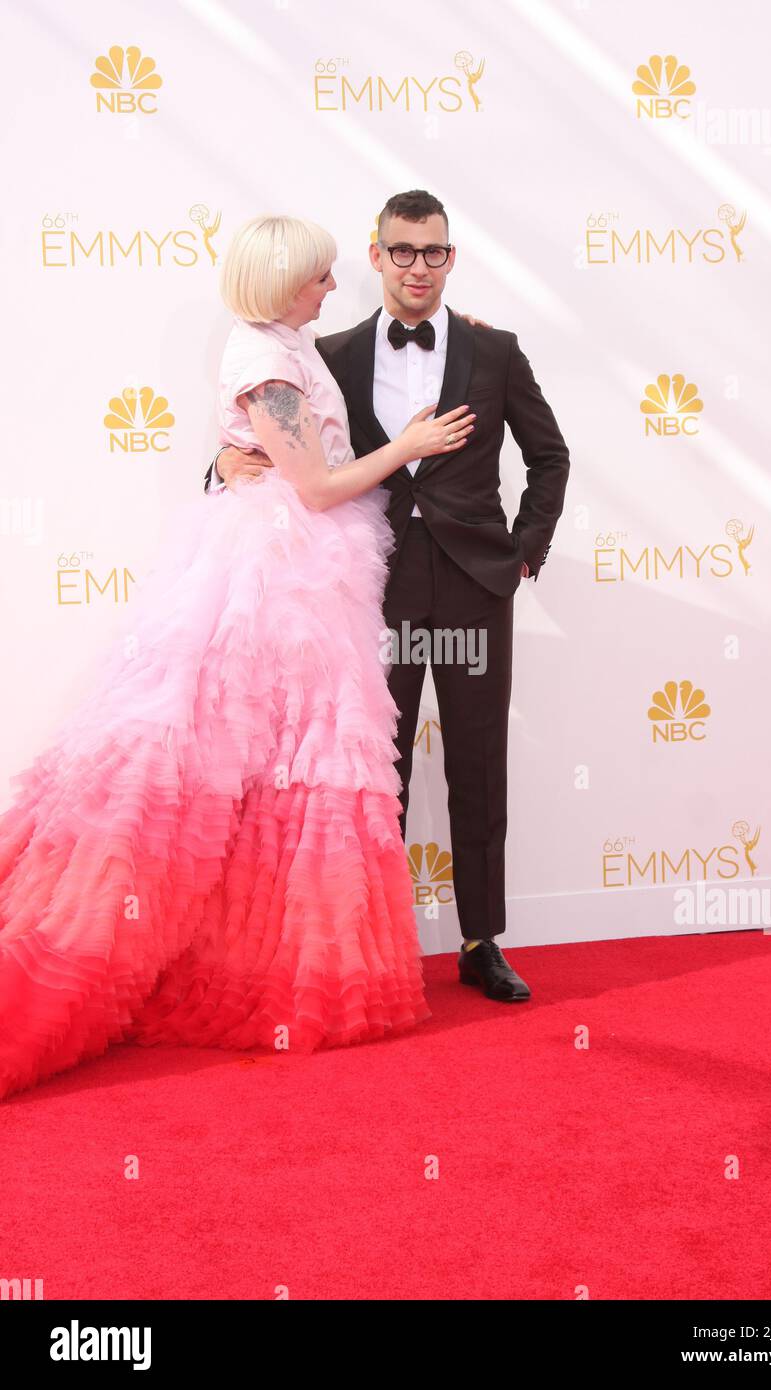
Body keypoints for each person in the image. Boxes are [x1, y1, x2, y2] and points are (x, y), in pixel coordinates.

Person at [0, 213, 476, 1102]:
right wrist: (407, 445)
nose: (335, 287)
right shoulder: (263, 356)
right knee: (239, 752)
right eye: (321, 275)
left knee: (281, 762)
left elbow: (292, 450)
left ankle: (264, 964)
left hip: (303, 562)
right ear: (284, 279)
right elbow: (318, 483)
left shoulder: (284, 345)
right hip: (275, 568)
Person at [208, 190, 571, 1003]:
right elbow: (269, 440)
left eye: (433, 251)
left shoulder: (496, 351)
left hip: (478, 587)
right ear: (376, 257)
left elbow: (551, 457)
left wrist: (523, 555)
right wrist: (221, 468)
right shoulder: (322, 349)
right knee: (378, 771)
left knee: (479, 764)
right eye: (401, 251)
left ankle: (482, 942)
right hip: (374, 588)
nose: (417, 266)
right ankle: (376, 946)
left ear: (451, 258)